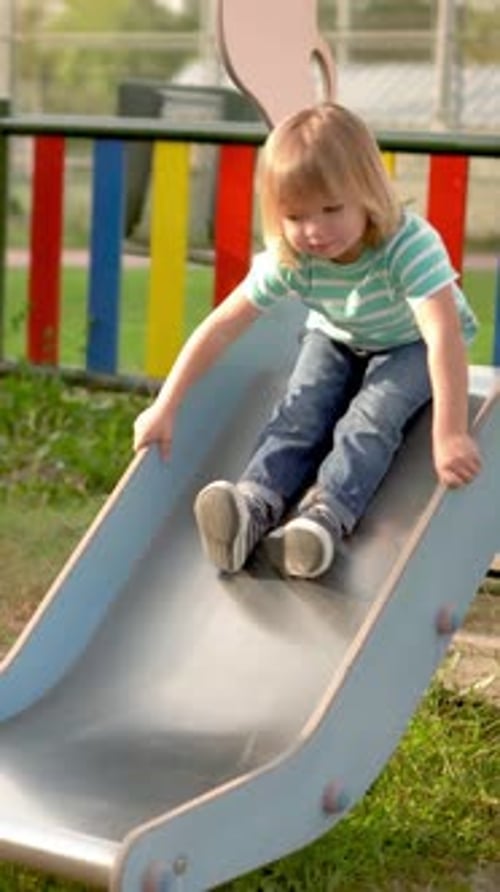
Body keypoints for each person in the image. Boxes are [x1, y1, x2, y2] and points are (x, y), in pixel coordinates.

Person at [133, 102, 481, 580]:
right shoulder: (291, 257)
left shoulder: (408, 245)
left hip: (412, 343)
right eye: (296, 216)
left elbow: (441, 335)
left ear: (368, 193)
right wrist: (165, 405)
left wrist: (451, 433)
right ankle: (254, 505)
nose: (315, 231)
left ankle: (324, 516)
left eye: (332, 209)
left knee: (370, 418)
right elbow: (222, 326)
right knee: (300, 410)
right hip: (338, 334)